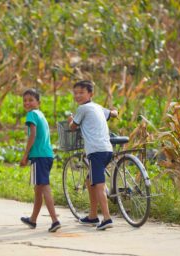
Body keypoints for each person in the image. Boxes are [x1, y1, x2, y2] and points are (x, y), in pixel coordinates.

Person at [67, 80, 118, 230]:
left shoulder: (82, 109)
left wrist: (71, 120)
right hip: (107, 149)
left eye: (81, 93)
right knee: (90, 181)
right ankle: (92, 216)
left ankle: (107, 218)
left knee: (99, 185)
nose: (78, 95)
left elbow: (73, 127)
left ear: (90, 94)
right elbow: (112, 114)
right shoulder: (98, 107)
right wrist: (115, 112)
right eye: (76, 93)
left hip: (95, 151)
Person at [19, 89, 61, 233]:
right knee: (38, 189)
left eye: (31, 100)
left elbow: (33, 136)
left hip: (39, 156)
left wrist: (25, 155)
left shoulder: (31, 114)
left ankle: (55, 220)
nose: (27, 103)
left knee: (44, 187)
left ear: (38, 102)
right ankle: (33, 220)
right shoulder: (41, 115)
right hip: (47, 155)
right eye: (25, 100)